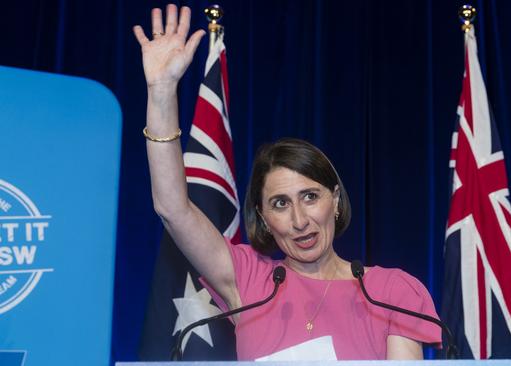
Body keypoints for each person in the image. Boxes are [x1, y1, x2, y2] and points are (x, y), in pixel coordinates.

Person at [133, 4, 441, 360]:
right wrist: (161, 93)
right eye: (280, 203)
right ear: (263, 218)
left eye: (310, 196)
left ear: (336, 199)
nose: (299, 220)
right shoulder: (248, 280)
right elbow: (173, 209)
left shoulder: (389, 290)